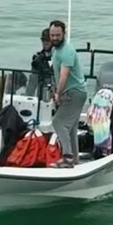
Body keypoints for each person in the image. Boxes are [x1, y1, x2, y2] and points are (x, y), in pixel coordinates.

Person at [47, 19, 86, 167]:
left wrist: (58, 94)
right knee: (71, 127)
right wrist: (54, 91)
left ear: (64, 33)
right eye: (52, 35)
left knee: (58, 122)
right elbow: (56, 74)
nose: (55, 38)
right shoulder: (55, 50)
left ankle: (67, 157)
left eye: (57, 35)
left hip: (74, 92)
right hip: (68, 92)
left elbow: (64, 76)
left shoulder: (68, 51)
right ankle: (74, 158)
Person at [28, 27, 53, 99]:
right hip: (42, 92)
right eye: (43, 40)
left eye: (48, 40)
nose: (45, 42)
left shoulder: (59, 57)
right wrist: (28, 96)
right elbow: (32, 81)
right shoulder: (38, 59)